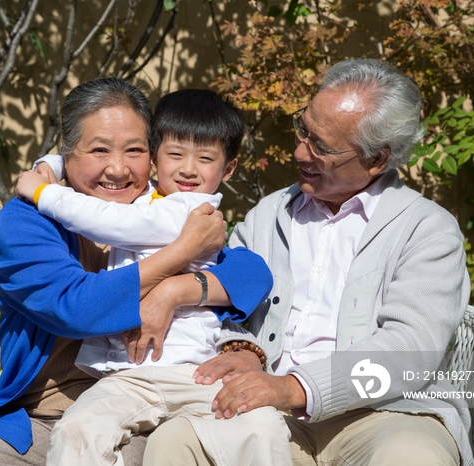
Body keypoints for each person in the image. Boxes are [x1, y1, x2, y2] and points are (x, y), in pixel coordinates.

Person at [0, 78, 273, 465]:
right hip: (36, 421)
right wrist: (182, 252)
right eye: (99, 150)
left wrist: (176, 291)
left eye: (133, 151)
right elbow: (76, 308)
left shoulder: (157, 209)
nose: (117, 169)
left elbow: (252, 275)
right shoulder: (27, 221)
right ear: (66, 153)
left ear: (152, 156)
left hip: (142, 410)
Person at [143, 58, 473, 466]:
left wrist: (294, 387)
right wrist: (244, 349)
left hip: (387, 414)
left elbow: (411, 349)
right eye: (304, 129)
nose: (299, 150)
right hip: (268, 412)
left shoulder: (427, 229)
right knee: (176, 441)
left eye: (322, 146)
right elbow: (229, 305)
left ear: (376, 159)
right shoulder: (269, 214)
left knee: (412, 457)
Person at [15, 89, 291, 465]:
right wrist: (52, 163)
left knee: (260, 424)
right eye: (175, 154)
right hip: (126, 377)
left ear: (227, 170)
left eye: (205, 159)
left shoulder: (191, 208)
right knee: (78, 430)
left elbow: (109, 222)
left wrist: (42, 189)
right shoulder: (142, 196)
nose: (189, 169)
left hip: (195, 372)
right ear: (157, 156)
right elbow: (75, 306)